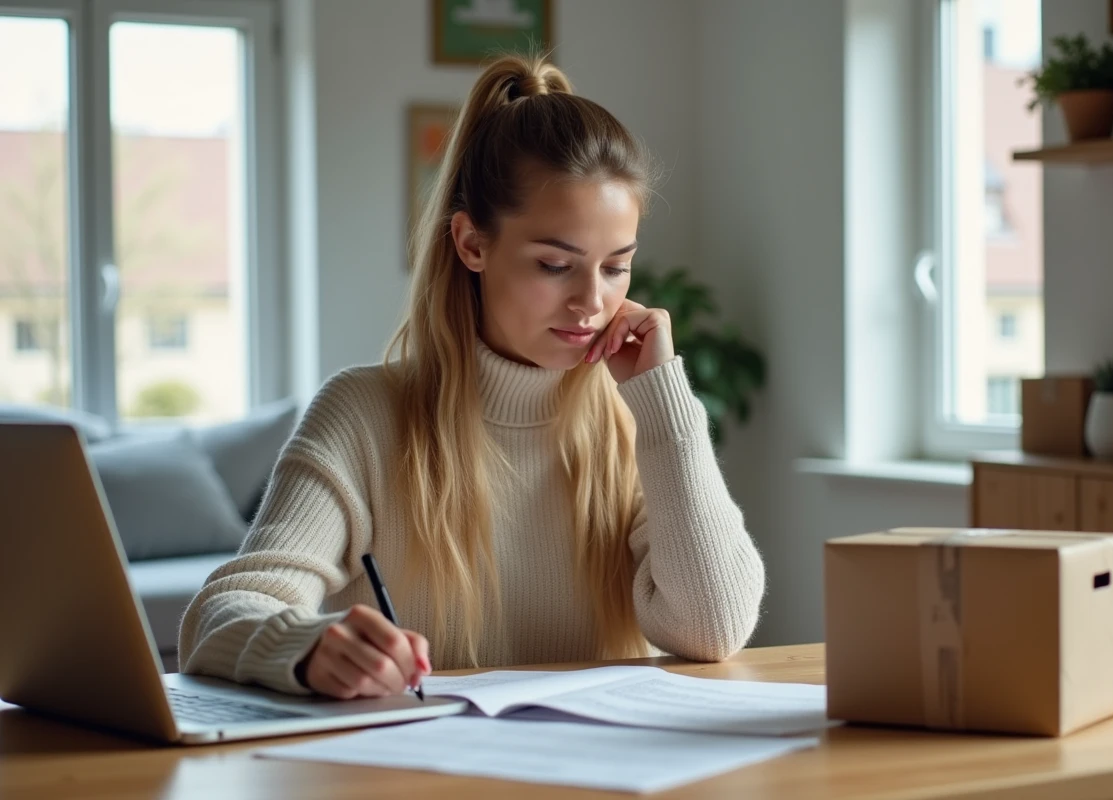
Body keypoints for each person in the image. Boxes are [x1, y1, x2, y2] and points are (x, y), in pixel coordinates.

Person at [179, 54, 765, 700]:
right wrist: (306, 646)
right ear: (471, 244)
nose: (592, 301)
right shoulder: (361, 415)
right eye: (554, 265)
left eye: (615, 267)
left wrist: (662, 403)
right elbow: (218, 616)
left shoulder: (636, 415)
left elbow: (713, 629)